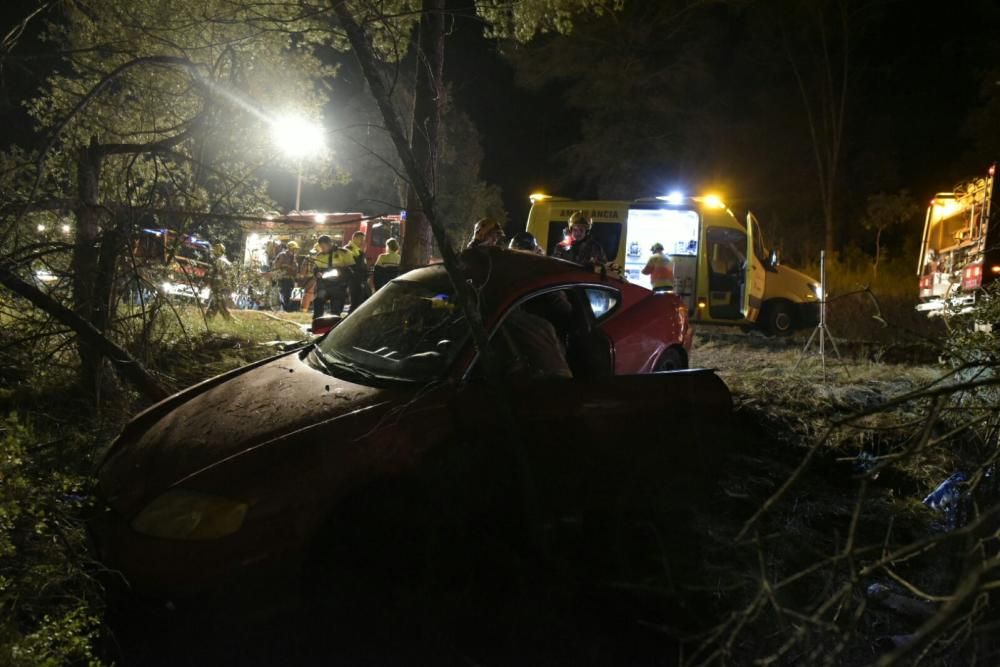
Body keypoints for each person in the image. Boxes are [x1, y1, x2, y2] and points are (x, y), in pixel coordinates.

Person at [311, 234, 352, 319]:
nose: (322, 249)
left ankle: (334, 326)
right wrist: (317, 273)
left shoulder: (343, 253)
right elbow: (315, 269)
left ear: (330, 243)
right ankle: (317, 322)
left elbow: (351, 270)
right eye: (321, 247)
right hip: (324, 286)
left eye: (323, 246)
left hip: (338, 286)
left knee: (336, 308)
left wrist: (343, 275)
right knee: (318, 301)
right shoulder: (319, 256)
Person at [206, 243, 233, 320]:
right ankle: (209, 317)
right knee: (216, 303)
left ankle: (229, 319)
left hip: (218, 286)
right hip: (224, 287)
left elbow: (211, 273)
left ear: (219, 251)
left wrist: (208, 282)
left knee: (219, 304)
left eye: (215, 249)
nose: (214, 251)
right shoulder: (228, 262)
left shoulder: (218, 261)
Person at [345, 230, 369, 314]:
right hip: (354, 280)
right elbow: (353, 265)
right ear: (354, 238)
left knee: (364, 300)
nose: (362, 241)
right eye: (361, 239)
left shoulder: (358, 250)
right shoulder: (348, 249)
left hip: (361, 279)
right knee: (355, 302)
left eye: (363, 239)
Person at [271, 240, 299, 312]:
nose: (295, 251)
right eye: (294, 249)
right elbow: (276, 266)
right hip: (283, 278)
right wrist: (285, 266)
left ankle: (292, 309)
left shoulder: (293, 257)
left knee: (294, 293)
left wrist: (294, 268)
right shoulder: (282, 255)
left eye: (296, 249)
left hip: (291, 278)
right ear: (290, 248)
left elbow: (295, 267)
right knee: (285, 294)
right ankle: (285, 309)